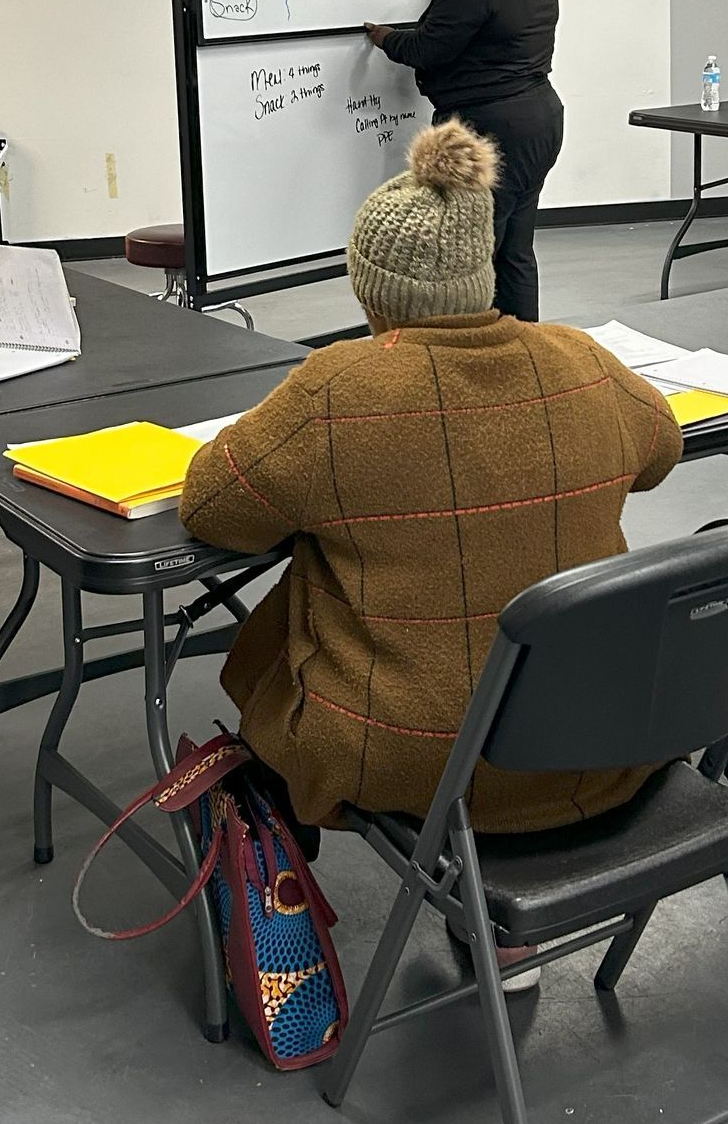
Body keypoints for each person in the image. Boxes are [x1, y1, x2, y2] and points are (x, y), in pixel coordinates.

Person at [181, 119, 684, 884]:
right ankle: (500, 925)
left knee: (296, 607)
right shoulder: (580, 359)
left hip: (413, 758)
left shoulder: (337, 389)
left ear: (369, 288)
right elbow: (661, 453)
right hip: (597, 740)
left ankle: (286, 811)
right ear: (482, 268)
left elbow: (214, 507)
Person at [362, 0, 580, 323]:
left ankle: (474, 353)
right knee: (514, 251)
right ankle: (522, 350)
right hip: (540, 124)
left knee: (469, 255)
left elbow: (427, 47)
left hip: (491, 134)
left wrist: (383, 38)